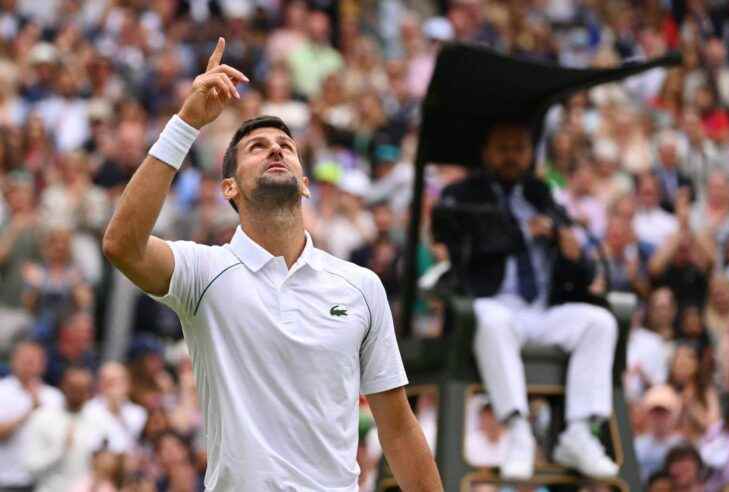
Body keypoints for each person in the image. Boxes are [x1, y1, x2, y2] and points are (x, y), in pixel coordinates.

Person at [101, 38, 441, 491]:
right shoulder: (204, 273)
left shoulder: (361, 285)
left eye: (285, 145)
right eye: (257, 147)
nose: (276, 149)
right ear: (229, 188)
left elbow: (398, 428)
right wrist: (186, 123)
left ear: (304, 184)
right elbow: (122, 244)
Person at [436, 122, 618, 480]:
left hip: (542, 310)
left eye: (519, 148)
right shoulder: (462, 194)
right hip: (494, 304)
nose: (511, 156)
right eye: (503, 147)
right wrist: (521, 232)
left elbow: (579, 273)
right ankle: (518, 430)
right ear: (486, 152)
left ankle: (579, 432)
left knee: (600, 322)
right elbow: (463, 246)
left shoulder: (542, 194)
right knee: (490, 318)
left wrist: (573, 254)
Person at [23, 366, 108, 492]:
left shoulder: (99, 421)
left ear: (90, 392)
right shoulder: (42, 417)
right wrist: (60, 449)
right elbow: (31, 467)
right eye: (73, 388)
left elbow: (104, 465)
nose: (77, 395)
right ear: (63, 386)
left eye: (82, 390)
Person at [0, 341, 63, 492]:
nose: (29, 365)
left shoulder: (55, 397)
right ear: (13, 362)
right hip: (8, 479)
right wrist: (28, 412)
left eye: (34, 360)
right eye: (25, 360)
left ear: (43, 364)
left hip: (45, 482)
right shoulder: (2, 391)